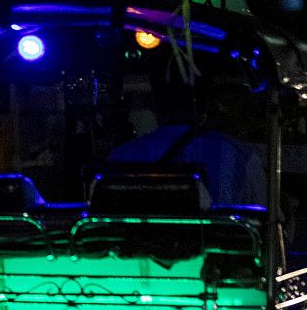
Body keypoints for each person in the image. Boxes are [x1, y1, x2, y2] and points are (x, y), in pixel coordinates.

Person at [107, 72, 267, 209]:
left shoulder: (122, 156)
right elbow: (262, 219)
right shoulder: (239, 155)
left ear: (157, 102)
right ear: (205, 103)